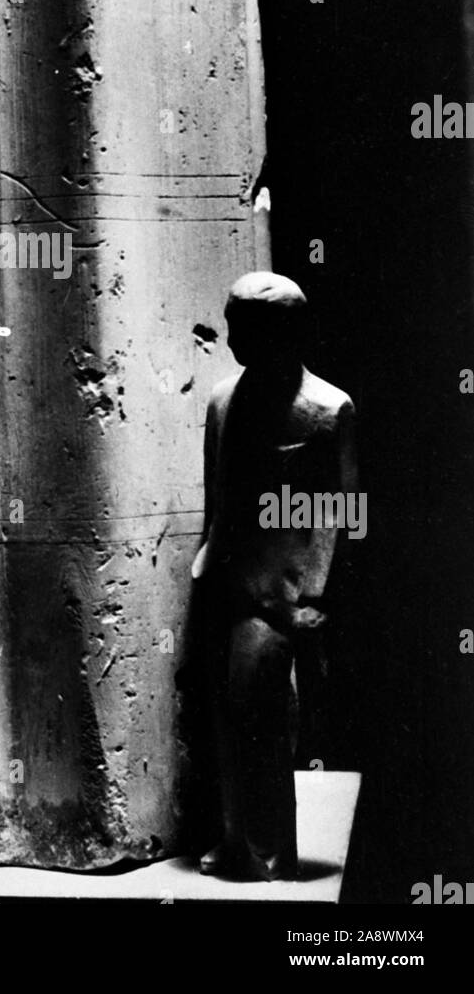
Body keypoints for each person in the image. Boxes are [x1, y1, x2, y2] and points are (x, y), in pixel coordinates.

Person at [192, 271, 358, 880]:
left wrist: (313, 596)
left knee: (263, 713)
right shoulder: (222, 399)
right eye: (234, 325)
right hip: (228, 581)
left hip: (284, 591)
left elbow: (342, 514)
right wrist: (207, 564)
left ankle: (267, 851)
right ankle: (239, 837)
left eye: (249, 328)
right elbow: (219, 493)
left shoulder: (327, 409)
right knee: (229, 718)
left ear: (285, 332)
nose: (236, 340)